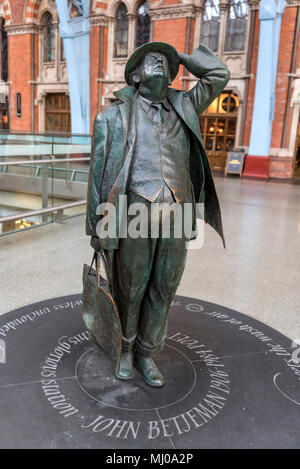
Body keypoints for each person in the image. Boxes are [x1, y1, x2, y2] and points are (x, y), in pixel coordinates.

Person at [86, 42, 230, 387]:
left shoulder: (186, 105)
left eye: (166, 63)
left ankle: (147, 352)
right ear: (135, 77)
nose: (161, 64)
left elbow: (218, 74)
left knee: (165, 285)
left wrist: (179, 57)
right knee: (131, 286)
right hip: (135, 208)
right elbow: (98, 174)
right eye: (152, 61)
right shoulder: (112, 116)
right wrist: (97, 225)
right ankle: (124, 348)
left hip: (179, 210)